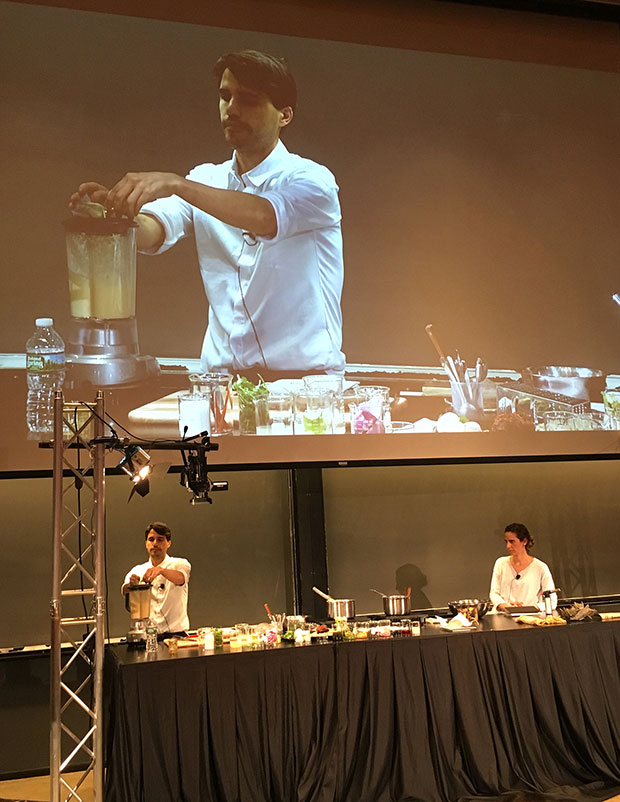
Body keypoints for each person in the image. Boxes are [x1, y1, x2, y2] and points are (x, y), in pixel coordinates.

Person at [69, 50, 345, 379]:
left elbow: (266, 216)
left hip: (305, 390)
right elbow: (152, 229)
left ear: (284, 115)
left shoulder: (313, 181)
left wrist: (177, 184)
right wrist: (110, 216)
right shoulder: (205, 179)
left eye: (249, 99)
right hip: (220, 387)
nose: (232, 109)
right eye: (225, 96)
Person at [122, 521, 191, 637]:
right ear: (146, 543)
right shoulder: (137, 570)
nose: (155, 543)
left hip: (177, 637)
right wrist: (132, 585)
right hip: (148, 636)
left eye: (160, 539)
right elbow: (124, 590)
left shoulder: (180, 564)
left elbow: (180, 578)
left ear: (168, 543)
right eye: (151, 539)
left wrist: (161, 570)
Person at [489, 523, 556, 612]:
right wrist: (507, 607)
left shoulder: (540, 567)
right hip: (502, 617)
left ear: (524, 541)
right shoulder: (501, 563)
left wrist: (527, 609)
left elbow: (552, 601)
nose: (508, 546)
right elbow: (494, 593)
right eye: (506, 542)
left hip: (530, 618)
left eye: (512, 541)